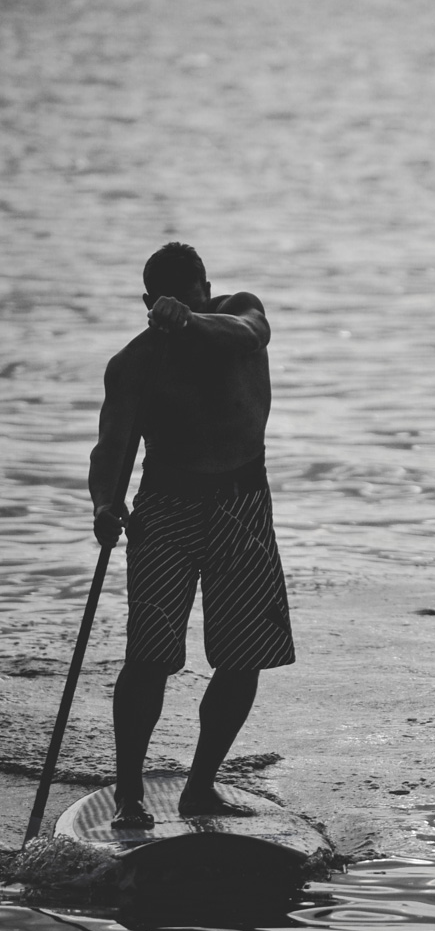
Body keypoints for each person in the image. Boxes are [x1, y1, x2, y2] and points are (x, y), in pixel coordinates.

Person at [89, 242, 294, 829]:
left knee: (243, 656)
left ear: (208, 288)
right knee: (150, 657)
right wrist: (105, 503)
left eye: (193, 295)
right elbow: (112, 450)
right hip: (166, 509)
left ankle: (200, 786)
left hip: (242, 503)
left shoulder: (241, 314)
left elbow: (248, 334)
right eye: (167, 303)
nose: (180, 308)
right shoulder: (133, 363)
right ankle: (129, 796)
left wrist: (192, 318)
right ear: (147, 304)